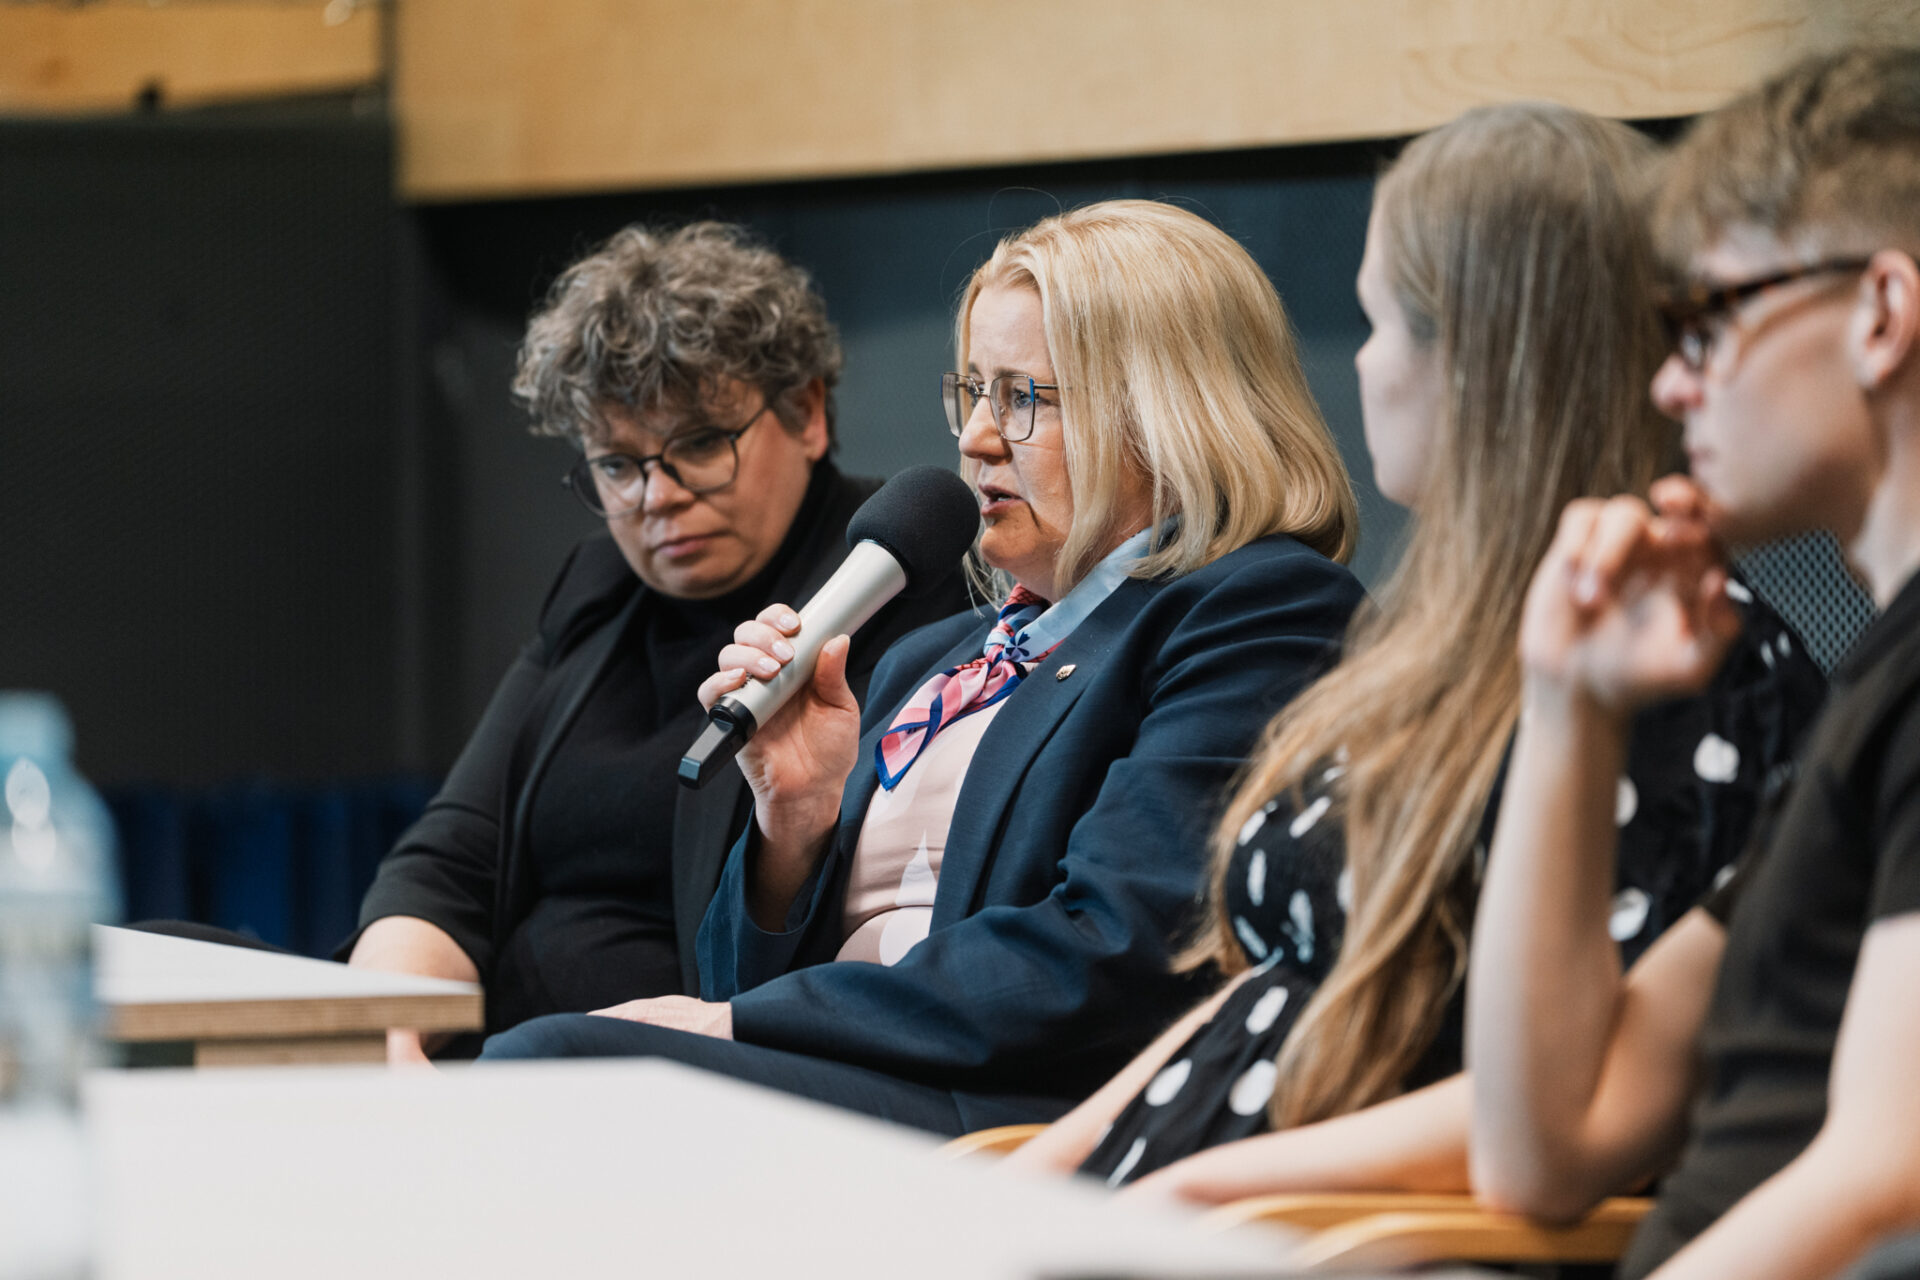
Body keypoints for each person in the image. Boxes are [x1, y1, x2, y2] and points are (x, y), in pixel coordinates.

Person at [1004, 102, 1824, 1198]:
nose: (1365, 364)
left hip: (1330, 1230)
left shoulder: (1678, 666)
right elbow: (1272, 996)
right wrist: (1045, 1171)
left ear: (1484, 358)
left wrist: (1195, 1193)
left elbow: (1559, 1090)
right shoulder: (1413, 644)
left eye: (1377, 319)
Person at [478, 199, 1368, 1135]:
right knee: (538, 1067)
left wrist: (740, 1023)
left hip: (1015, 1115)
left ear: (1163, 412)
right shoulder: (925, 657)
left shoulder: (1255, 608)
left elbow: (1114, 951)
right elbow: (726, 979)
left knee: (550, 1071)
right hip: (853, 1084)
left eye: (1022, 398)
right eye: (972, 393)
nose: (976, 437)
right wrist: (797, 820)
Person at [1466, 48, 1920, 1280]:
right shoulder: (1872, 687)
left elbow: (1890, 1179)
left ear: (1881, 315)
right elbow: (1541, 1145)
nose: (1672, 381)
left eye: (1708, 319)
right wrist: (1572, 708)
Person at [341, 222, 968, 1062]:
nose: (655, 496)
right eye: (616, 464)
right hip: (480, 1060)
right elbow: (451, 860)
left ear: (808, 413)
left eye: (700, 445)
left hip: (662, 1070)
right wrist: (391, 1041)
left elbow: (825, 937)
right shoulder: (599, 587)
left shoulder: (892, 587)